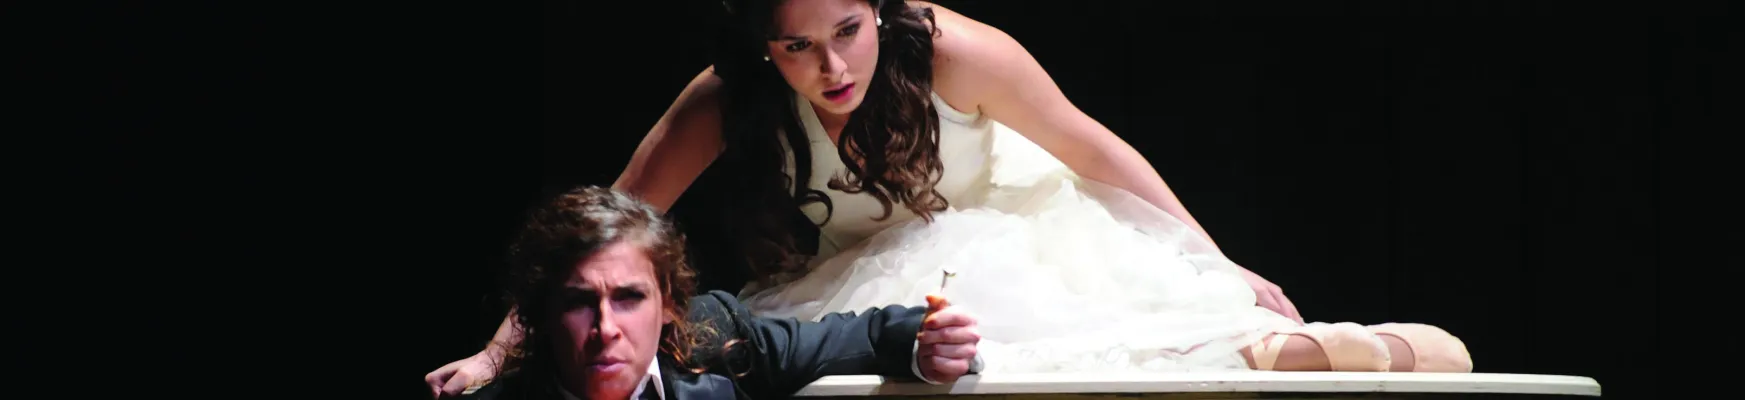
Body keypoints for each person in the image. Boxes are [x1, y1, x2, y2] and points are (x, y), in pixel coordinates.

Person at [430, 0, 1472, 390]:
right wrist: (496, 351)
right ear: (762, 47)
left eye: (848, 31)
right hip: (869, 279)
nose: (833, 67)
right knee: (890, 347)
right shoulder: (727, 98)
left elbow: (1093, 148)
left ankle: (1298, 347)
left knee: (1085, 326)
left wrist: (1217, 260)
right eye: (797, 47)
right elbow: (605, 227)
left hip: (1024, 234)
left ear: (877, 9)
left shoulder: (950, 49)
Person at [444, 186, 982, 400]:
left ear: (670, 304)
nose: (606, 328)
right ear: (541, 312)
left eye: (629, 298)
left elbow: (858, 337)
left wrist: (926, 342)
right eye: (579, 302)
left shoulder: (720, 338)